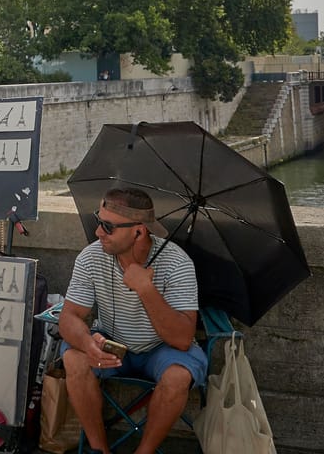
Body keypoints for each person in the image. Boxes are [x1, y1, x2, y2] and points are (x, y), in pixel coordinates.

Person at [59, 187, 204, 454]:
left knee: (177, 377)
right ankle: (99, 449)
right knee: (73, 357)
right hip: (112, 344)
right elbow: (69, 317)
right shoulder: (91, 257)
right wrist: (87, 341)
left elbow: (183, 339)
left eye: (107, 226)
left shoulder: (177, 262)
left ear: (138, 231)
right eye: (97, 220)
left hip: (163, 349)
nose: (98, 232)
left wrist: (146, 290)